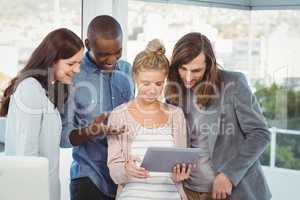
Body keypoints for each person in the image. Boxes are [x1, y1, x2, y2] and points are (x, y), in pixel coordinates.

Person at [165, 32, 271, 200]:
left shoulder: (233, 82)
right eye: (183, 69)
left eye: (196, 70)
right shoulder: (173, 93)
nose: (188, 77)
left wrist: (229, 174)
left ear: (209, 64)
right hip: (189, 192)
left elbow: (260, 134)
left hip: (233, 191)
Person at [1, 28, 84, 200]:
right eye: (71, 63)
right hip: (30, 190)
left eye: (79, 63)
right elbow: (26, 152)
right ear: (52, 60)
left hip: (45, 188)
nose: (77, 69)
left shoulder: (47, 90)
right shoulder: (30, 88)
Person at [107, 39, 192, 200]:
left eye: (158, 84)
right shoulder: (119, 115)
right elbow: (114, 172)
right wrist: (126, 169)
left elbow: (181, 164)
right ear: (134, 77)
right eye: (146, 83)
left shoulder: (176, 115)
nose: (152, 90)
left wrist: (180, 174)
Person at [60, 15, 134, 200]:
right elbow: (63, 137)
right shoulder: (73, 77)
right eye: (103, 54)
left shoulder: (126, 70)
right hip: (88, 178)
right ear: (87, 44)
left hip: (124, 178)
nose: (111, 60)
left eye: (117, 52)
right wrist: (90, 131)